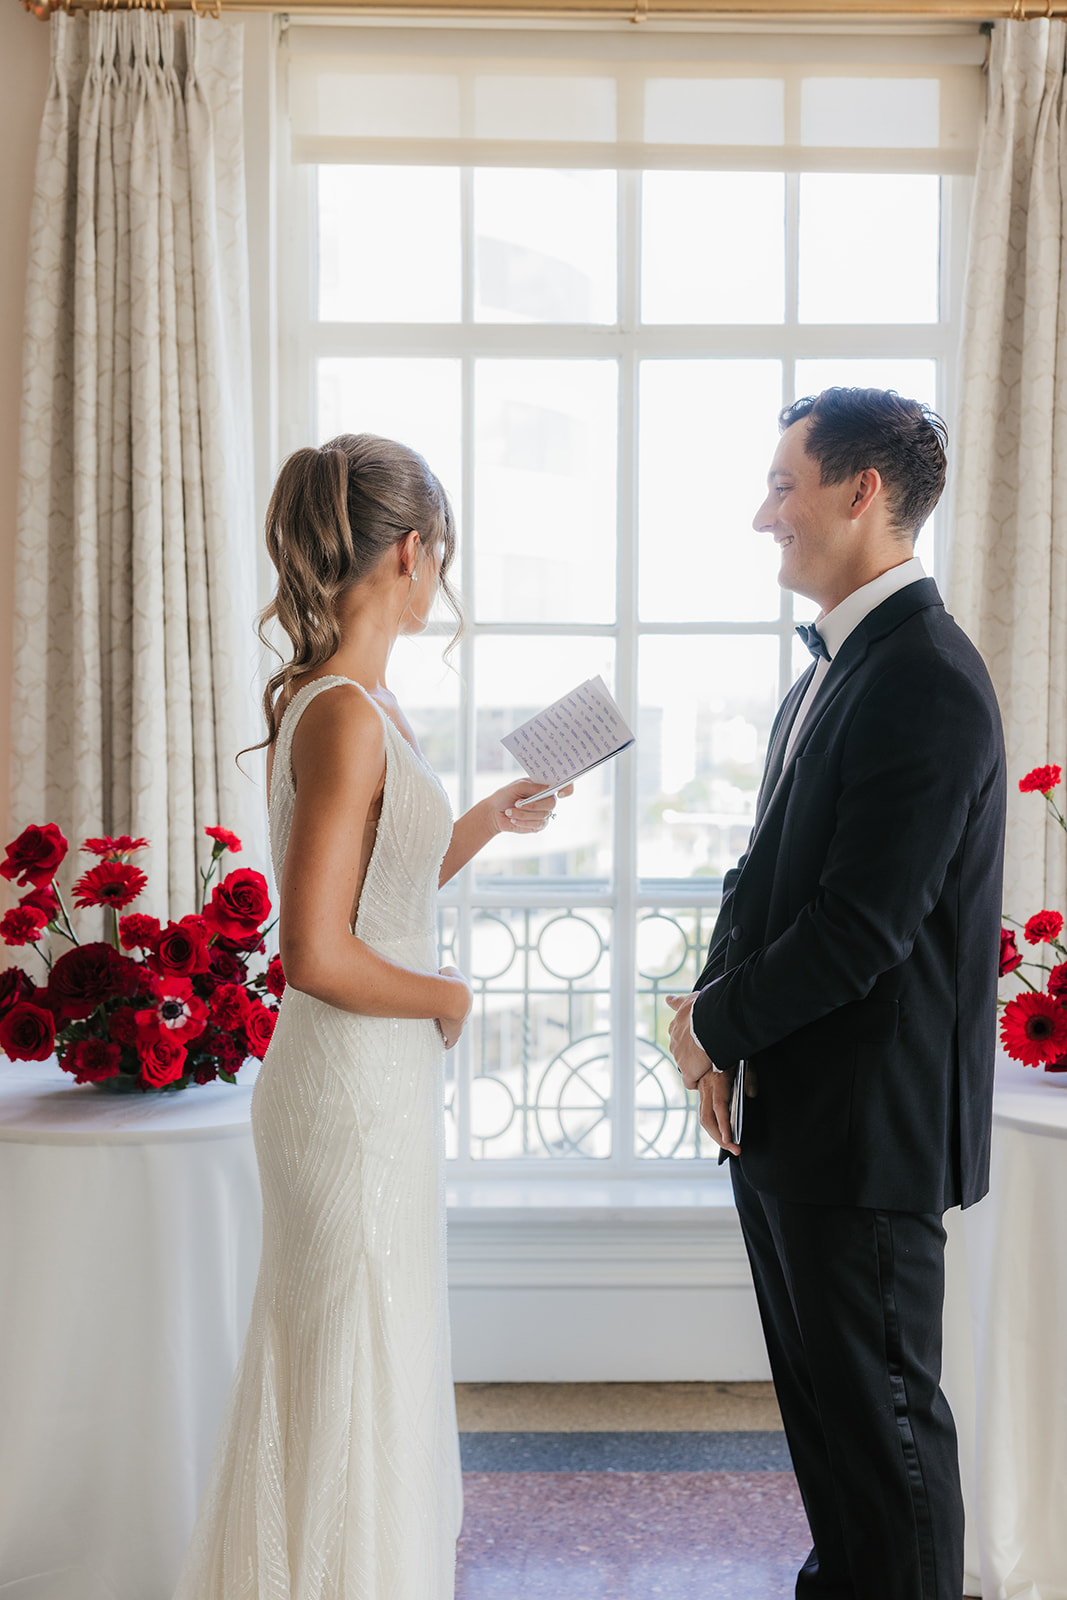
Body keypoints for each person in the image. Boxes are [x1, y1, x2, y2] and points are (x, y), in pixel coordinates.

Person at [172, 433, 568, 1600]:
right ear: (411, 548)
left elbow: (373, 900)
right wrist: (447, 996)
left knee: (368, 1356)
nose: (439, 572)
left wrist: (483, 820)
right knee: (345, 1362)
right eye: (439, 552)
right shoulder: (344, 712)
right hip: (345, 1087)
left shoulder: (358, 700)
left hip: (371, 1083)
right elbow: (315, 952)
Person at [667, 388, 1005, 1600]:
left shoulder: (923, 676)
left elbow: (857, 931)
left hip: (867, 1132)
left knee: (887, 1435)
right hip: (795, 1112)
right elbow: (766, 877)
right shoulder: (837, 667)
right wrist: (724, 1049)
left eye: (781, 485)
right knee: (830, 1425)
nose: (764, 515)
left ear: (861, 492)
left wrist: (709, 1025)